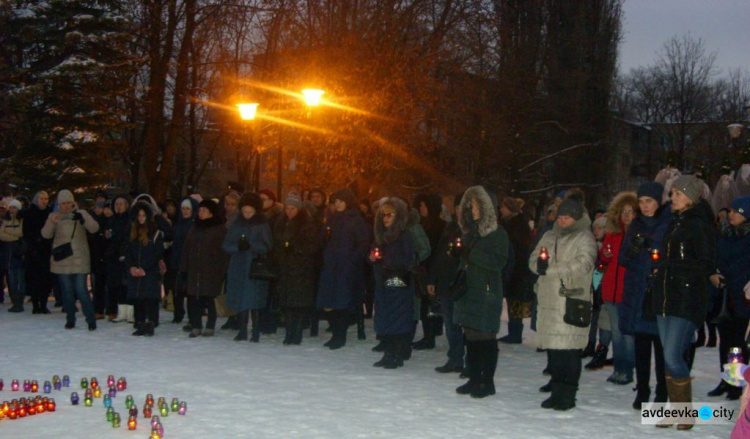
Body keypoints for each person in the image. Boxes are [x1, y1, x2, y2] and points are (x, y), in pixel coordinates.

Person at [650, 175, 717, 430]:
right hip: (666, 295)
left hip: (686, 298)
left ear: (691, 197)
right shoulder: (674, 223)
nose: (672, 198)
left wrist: (669, 266)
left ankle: (684, 412)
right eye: (672, 193)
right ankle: (675, 409)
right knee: (667, 357)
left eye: (677, 193)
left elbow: (705, 262)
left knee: (672, 355)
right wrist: (659, 267)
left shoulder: (699, 224)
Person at [530, 197, 597, 410]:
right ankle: (556, 389)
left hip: (570, 300)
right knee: (555, 350)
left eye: (567, 217)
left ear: (576, 218)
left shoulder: (584, 237)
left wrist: (550, 270)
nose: (562, 221)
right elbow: (533, 259)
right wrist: (539, 266)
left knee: (568, 350)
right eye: (560, 217)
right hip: (549, 300)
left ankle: (568, 394)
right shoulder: (549, 235)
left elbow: (584, 263)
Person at [453, 186, 509, 398]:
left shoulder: (497, 233)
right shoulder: (471, 232)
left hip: (486, 292)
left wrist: (470, 254)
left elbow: (499, 262)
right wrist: (458, 253)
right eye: (471, 205)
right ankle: (475, 378)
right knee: (471, 336)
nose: (473, 209)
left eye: (477, 205)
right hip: (470, 291)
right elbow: (466, 260)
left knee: (485, 337)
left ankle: (487, 381)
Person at [619, 182, 671, 409]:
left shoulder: (669, 223)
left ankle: (662, 392)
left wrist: (652, 251)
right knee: (641, 348)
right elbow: (623, 258)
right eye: (641, 202)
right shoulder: (636, 225)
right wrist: (632, 250)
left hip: (657, 293)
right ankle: (642, 390)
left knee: (661, 349)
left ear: (658, 201)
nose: (645, 206)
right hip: (637, 292)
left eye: (649, 201)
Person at [706, 195, 750, 401]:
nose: (730, 214)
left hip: (742, 297)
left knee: (736, 342)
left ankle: (736, 381)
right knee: (726, 341)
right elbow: (713, 259)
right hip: (723, 294)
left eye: (736, 212)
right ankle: (727, 379)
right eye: (731, 210)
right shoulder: (723, 235)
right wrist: (713, 274)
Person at [317, 188, 370, 350]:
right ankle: (336, 331)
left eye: (341, 201)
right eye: (336, 201)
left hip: (347, 267)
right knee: (328, 302)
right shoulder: (332, 219)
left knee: (342, 302)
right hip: (331, 265)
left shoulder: (356, 220)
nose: (338, 204)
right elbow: (324, 240)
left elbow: (363, 243)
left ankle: (340, 335)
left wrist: (352, 259)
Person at [41, 190, 100, 330]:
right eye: (63, 203)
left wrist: (83, 220)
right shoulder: (54, 216)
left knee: (82, 290)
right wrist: (51, 222)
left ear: (73, 202)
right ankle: (70, 318)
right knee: (66, 291)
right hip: (63, 259)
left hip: (80, 258)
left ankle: (90, 319)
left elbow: (94, 228)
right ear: (59, 204)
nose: (66, 206)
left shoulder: (82, 213)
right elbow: (45, 235)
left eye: (68, 203)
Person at [369, 197, 417, 368]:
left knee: (398, 314)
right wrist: (374, 258)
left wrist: (386, 260)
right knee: (384, 314)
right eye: (383, 215)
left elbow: (408, 259)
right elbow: (375, 254)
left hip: (398, 279)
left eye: (390, 214)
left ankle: (397, 353)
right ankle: (388, 351)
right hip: (383, 280)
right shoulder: (381, 236)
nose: (386, 218)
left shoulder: (405, 235)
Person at [598, 191, 638, 385]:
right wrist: (605, 254)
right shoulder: (613, 233)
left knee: (628, 334)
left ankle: (628, 369)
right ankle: (618, 368)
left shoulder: (638, 235)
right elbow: (605, 258)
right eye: (623, 211)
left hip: (627, 291)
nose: (627, 215)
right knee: (616, 333)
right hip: (611, 290)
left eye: (630, 211)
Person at [223, 193, 273, 342]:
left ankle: (256, 330)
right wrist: (238, 247)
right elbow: (226, 244)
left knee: (254, 299)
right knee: (240, 299)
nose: (247, 215)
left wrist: (252, 245)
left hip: (254, 267)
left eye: (250, 212)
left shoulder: (262, 224)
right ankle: (242, 329)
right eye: (244, 212)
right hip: (238, 265)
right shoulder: (237, 224)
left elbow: (268, 245)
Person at [273, 192, 319, 345]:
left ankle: (296, 333)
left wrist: (296, 249)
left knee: (297, 304)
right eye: (287, 208)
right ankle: (289, 332)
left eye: (292, 208)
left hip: (300, 269)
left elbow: (311, 246)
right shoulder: (281, 222)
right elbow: (276, 243)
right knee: (287, 302)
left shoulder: (306, 223)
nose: (289, 211)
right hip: (285, 268)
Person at [180, 199, 229, 338]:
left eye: (204, 210)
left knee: (210, 299)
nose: (201, 213)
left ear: (211, 213)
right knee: (193, 299)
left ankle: (210, 325)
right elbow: (186, 248)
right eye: (200, 210)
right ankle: (196, 325)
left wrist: (222, 270)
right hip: (194, 270)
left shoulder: (220, 229)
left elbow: (224, 253)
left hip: (211, 271)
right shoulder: (195, 227)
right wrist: (184, 268)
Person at [429, 192, 465, 374]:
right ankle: (455, 357)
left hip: (460, 283)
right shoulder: (450, 228)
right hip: (445, 282)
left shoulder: (470, 231)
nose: (459, 211)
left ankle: (463, 357)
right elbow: (439, 254)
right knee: (450, 323)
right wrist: (432, 278)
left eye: (462, 208)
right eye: (457, 208)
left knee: (460, 322)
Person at [411, 193, 445, 351]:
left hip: (433, 270)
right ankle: (429, 334)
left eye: (424, 205)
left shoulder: (438, 226)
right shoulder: (424, 224)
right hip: (425, 270)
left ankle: (430, 336)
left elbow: (435, 250)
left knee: (429, 305)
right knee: (427, 304)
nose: (421, 208)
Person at [125, 201, 164, 336]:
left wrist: (145, 268)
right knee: (138, 298)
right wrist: (131, 267)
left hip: (150, 272)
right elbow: (128, 252)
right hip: (136, 272)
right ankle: (140, 322)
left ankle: (151, 323)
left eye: (143, 215)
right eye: (139, 215)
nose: (141, 218)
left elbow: (157, 254)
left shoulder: (155, 233)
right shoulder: (133, 233)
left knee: (150, 298)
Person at [498, 196, 533, 344]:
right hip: (511, 267)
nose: (501, 209)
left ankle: (516, 332)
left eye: (503, 207)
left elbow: (520, 246)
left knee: (515, 300)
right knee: (511, 299)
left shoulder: (518, 224)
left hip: (518, 268)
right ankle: (513, 331)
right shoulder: (507, 223)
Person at [23, 191, 53, 314]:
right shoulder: (30, 213)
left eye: (46, 198)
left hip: (47, 250)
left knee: (46, 279)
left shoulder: (50, 213)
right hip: (34, 251)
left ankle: (44, 303)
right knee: (34, 279)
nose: (44, 201)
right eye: (41, 198)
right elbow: (26, 231)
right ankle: (36, 304)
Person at [169, 197, 198, 325]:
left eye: (188, 209)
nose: (185, 211)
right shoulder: (178, 223)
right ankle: (178, 313)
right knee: (177, 289)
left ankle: (193, 316)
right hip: (177, 260)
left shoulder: (196, 225)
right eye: (183, 209)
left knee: (190, 290)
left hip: (190, 261)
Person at [1, 200, 25, 313]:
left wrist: (9, 234)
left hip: (19, 253)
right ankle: (15, 302)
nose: (12, 210)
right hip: (9, 253)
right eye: (10, 208)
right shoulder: (6, 219)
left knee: (20, 279)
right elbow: (1, 234)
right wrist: (14, 235)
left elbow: (21, 232)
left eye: (14, 208)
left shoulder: (22, 219)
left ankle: (20, 302)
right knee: (12, 280)